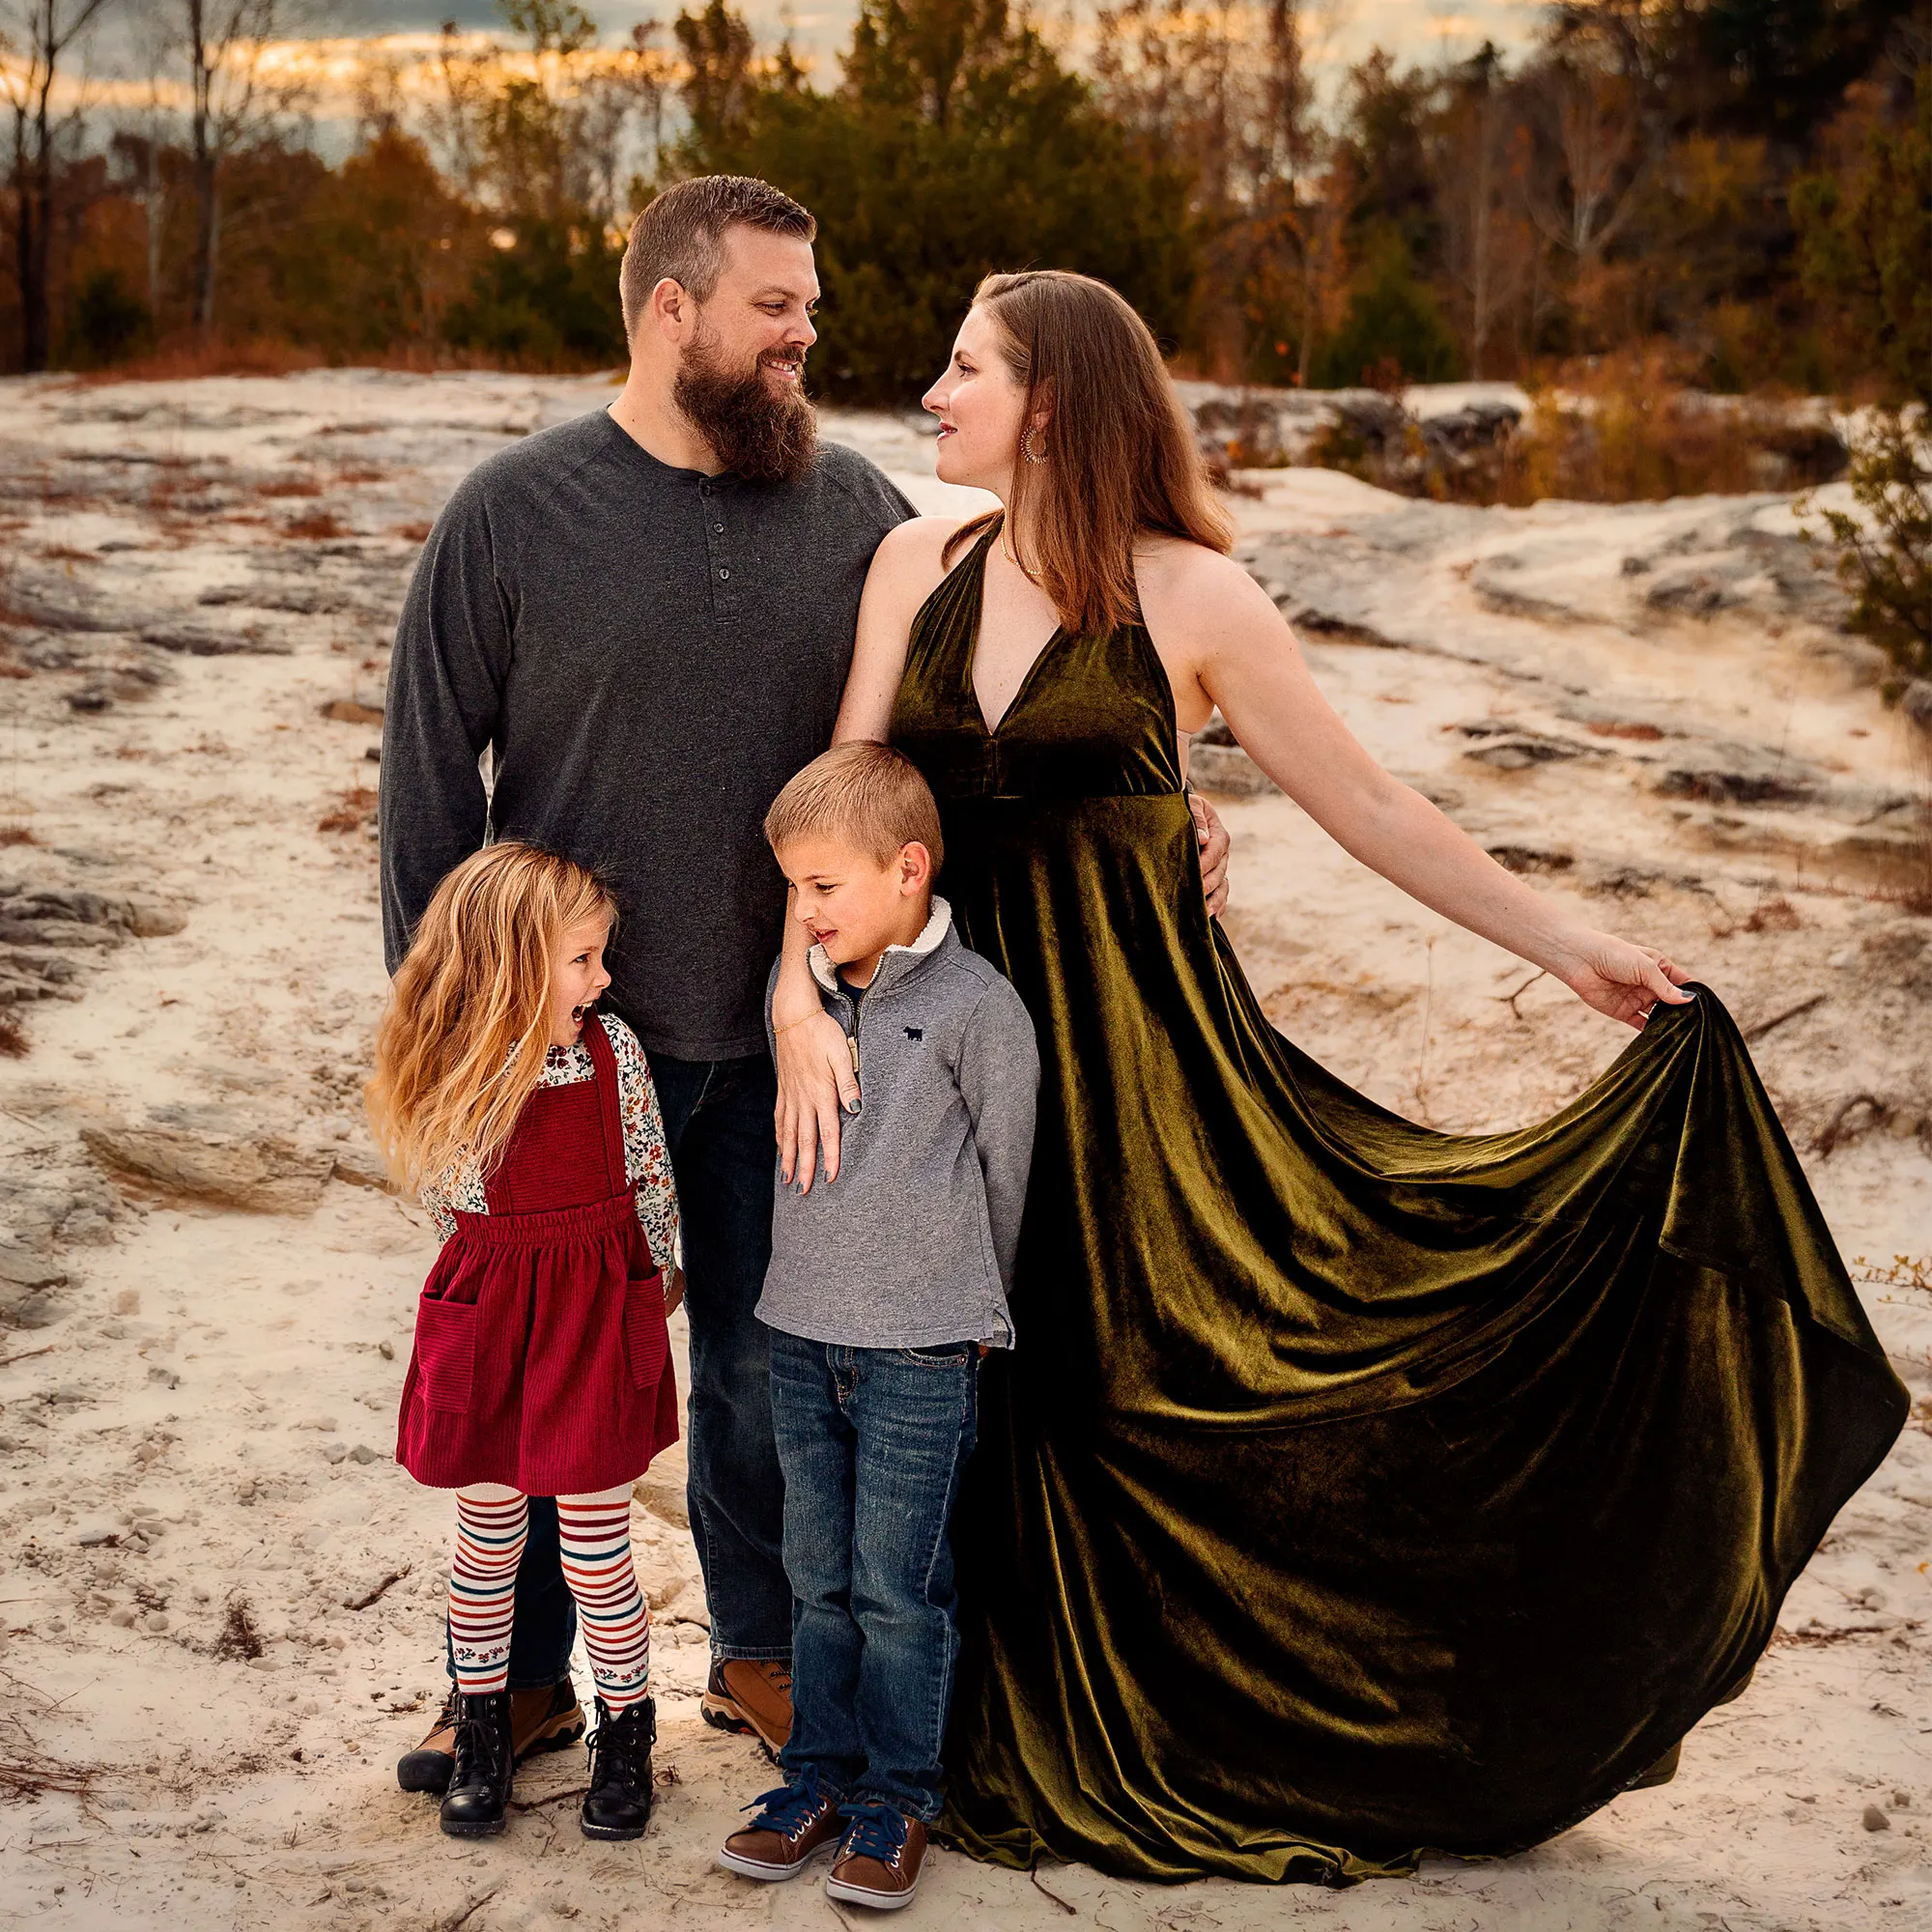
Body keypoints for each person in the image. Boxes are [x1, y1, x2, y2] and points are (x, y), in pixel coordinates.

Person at [772, 270, 1911, 1883]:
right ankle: (910, 1740)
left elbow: (1374, 809)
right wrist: (794, 991)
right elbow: (845, 801)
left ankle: (1215, 1720)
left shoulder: (1198, 602)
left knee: (1164, 1380)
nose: (933, 395)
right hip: (944, 1063)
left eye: (967, 370)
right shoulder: (912, 565)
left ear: (1057, 402)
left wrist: (1570, 943)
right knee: (949, 1392)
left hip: (1140, 1076)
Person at [380, 179, 1235, 1782]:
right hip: (572, 1051)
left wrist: (1162, 822)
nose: (807, 340)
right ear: (672, 309)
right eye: (777, 308)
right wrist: (455, 1042)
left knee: (775, 1372)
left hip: (807, 1042)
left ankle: (758, 1660)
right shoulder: (509, 514)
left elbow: (981, 714)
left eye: (812, 310)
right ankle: (517, 1684)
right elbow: (433, 790)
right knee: (543, 1362)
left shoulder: (858, 512)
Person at [718, 743, 1037, 1909]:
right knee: (817, 1577)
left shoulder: (977, 1007)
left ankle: (896, 1797)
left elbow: (1009, 1171)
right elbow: (788, 983)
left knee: (899, 1586)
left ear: (908, 869)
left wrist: (961, 1306)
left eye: (819, 887)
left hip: (919, 1350)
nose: (799, 913)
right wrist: (795, 962)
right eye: (790, 889)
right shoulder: (800, 988)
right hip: (798, 1335)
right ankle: (813, 1777)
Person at [370, 843, 681, 1840]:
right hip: (494, 1312)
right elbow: (444, 1194)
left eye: (600, 957)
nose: (602, 979)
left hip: (591, 1308)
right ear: (508, 966)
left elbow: (648, 1166)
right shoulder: (461, 1063)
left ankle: (624, 1729)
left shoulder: (610, 1051)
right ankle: (482, 1730)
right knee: (486, 1540)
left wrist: (657, 1274)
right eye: (582, 961)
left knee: (596, 1548)